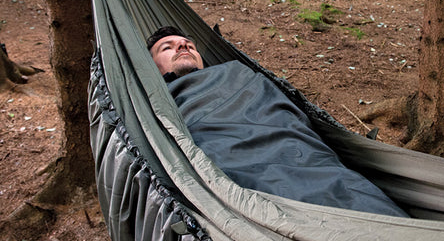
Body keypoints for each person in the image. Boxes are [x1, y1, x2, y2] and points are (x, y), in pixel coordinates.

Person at [148, 26, 409, 217]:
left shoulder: (235, 71)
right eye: (167, 47)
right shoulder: (157, 102)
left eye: (189, 45)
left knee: (370, 205)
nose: (183, 46)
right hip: (246, 173)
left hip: (305, 154)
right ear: (150, 66)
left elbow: (286, 111)